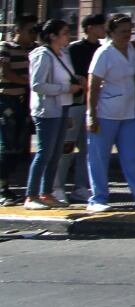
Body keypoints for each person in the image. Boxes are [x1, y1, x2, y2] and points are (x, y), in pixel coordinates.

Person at [85, 13, 135, 213]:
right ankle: (98, 198)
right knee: (99, 157)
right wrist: (91, 114)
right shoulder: (104, 53)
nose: (127, 35)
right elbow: (93, 85)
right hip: (105, 112)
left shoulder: (132, 49)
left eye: (129, 30)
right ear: (111, 33)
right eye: (123, 31)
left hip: (129, 112)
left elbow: (134, 73)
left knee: (132, 156)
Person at [24, 20, 80, 209]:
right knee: (44, 153)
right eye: (64, 32)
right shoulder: (43, 55)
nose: (68, 36)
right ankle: (31, 196)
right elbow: (37, 85)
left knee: (55, 154)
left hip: (62, 107)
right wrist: (66, 88)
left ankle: (46, 193)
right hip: (47, 110)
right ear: (52, 36)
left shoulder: (63, 54)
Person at [59, 14, 106, 204]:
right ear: (90, 28)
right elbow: (69, 73)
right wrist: (80, 81)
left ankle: (81, 186)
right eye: (100, 26)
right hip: (76, 102)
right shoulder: (74, 49)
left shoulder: (103, 49)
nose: (103, 30)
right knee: (67, 147)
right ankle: (57, 187)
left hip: (93, 104)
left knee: (87, 149)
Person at [0, 15, 37, 205]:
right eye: (30, 30)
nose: (33, 35)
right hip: (7, 100)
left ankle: (8, 185)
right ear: (18, 31)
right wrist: (30, 82)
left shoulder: (34, 49)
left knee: (19, 146)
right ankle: (2, 188)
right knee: (6, 146)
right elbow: (5, 72)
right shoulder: (5, 47)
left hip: (26, 101)